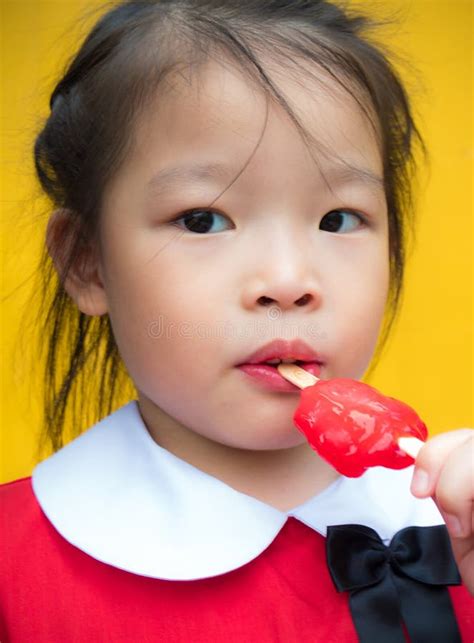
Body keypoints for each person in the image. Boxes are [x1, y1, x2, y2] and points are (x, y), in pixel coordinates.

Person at [1, 1, 472, 641]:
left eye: (338, 219)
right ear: (89, 264)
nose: (286, 281)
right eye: (203, 220)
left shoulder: (455, 519)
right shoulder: (16, 572)